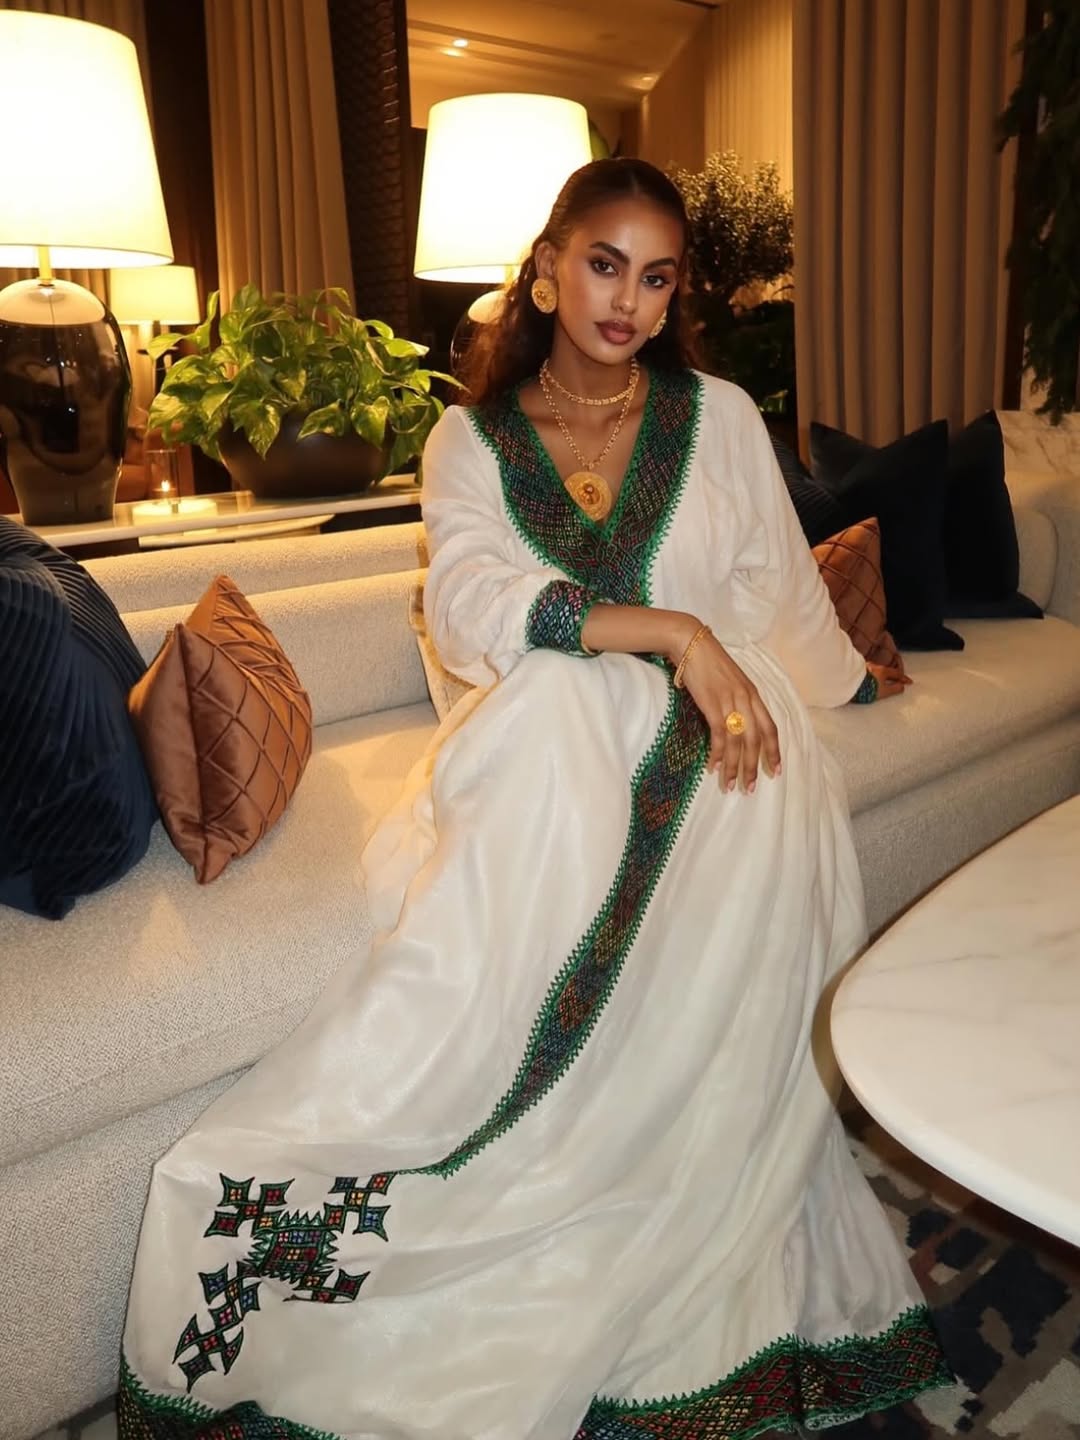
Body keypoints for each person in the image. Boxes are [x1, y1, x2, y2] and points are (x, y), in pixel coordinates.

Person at [119, 158, 947, 1439]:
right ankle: (436, 1191)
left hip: (727, 746)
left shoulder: (719, 414)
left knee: (717, 760)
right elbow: (470, 608)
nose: (627, 300)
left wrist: (845, 676)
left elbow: (780, 589)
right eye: (604, 263)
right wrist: (665, 629)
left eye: (657, 277)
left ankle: (643, 1179)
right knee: (561, 709)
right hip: (554, 741)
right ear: (552, 263)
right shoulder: (473, 438)